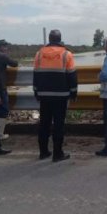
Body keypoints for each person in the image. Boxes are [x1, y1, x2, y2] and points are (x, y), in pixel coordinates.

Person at [33, 29, 77, 162]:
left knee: (44, 123)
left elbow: (36, 74)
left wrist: (36, 91)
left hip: (44, 95)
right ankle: (58, 154)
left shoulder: (39, 54)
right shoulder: (66, 54)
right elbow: (72, 75)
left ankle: (43, 152)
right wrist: (73, 92)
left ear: (49, 39)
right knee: (58, 124)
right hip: (61, 95)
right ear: (60, 39)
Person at [0, 39, 19, 140]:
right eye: (4, 46)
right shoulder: (1, 56)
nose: (6, 48)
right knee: (3, 109)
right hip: (0, 86)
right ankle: (0, 134)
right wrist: (6, 54)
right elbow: (14, 63)